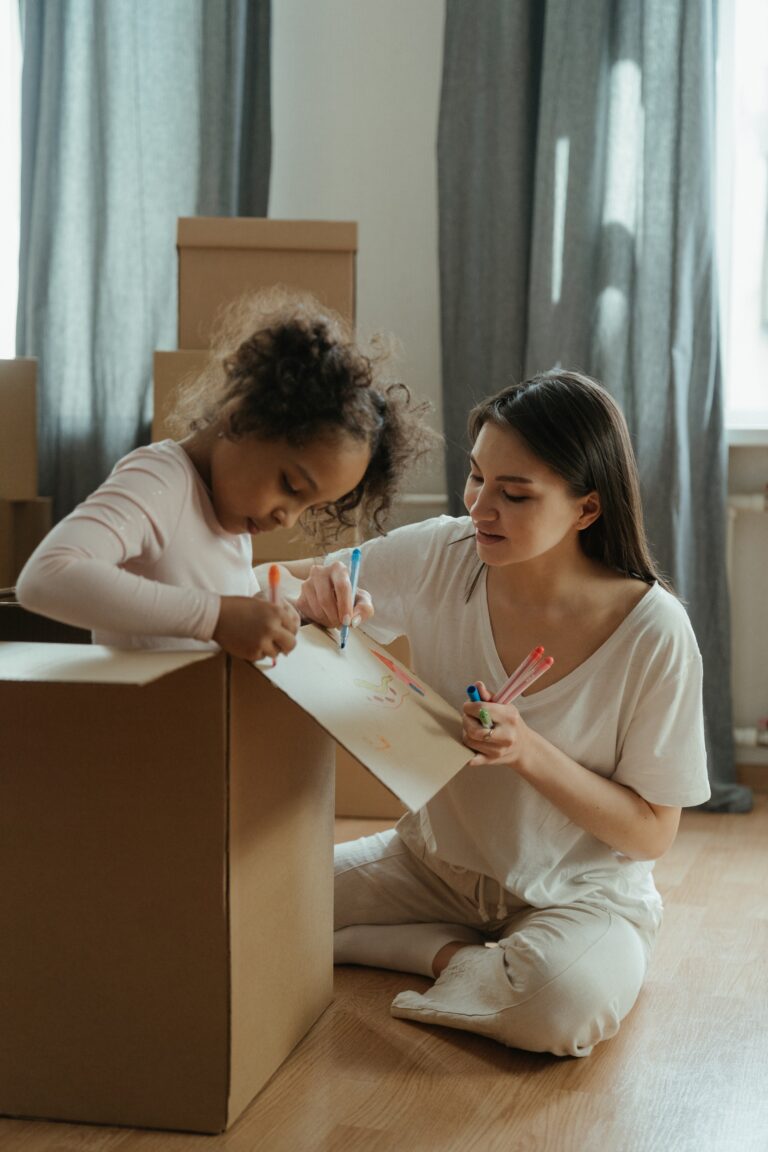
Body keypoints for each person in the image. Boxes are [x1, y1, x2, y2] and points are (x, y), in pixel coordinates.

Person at [287, 369, 710, 1059]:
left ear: (587, 509)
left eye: (514, 494)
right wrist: (317, 591)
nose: (481, 508)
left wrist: (528, 752)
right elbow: (274, 587)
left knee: (559, 1006)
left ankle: (416, 951)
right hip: (432, 865)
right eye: (476, 477)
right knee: (258, 905)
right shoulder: (443, 553)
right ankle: (447, 952)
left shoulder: (653, 631)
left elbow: (652, 833)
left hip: (577, 895)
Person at [16, 288, 432, 659]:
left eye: (309, 506)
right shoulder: (161, 480)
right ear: (244, 415)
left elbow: (223, 618)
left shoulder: (230, 518)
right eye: (290, 486)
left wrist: (296, 614)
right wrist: (214, 617)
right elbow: (45, 577)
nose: (287, 518)